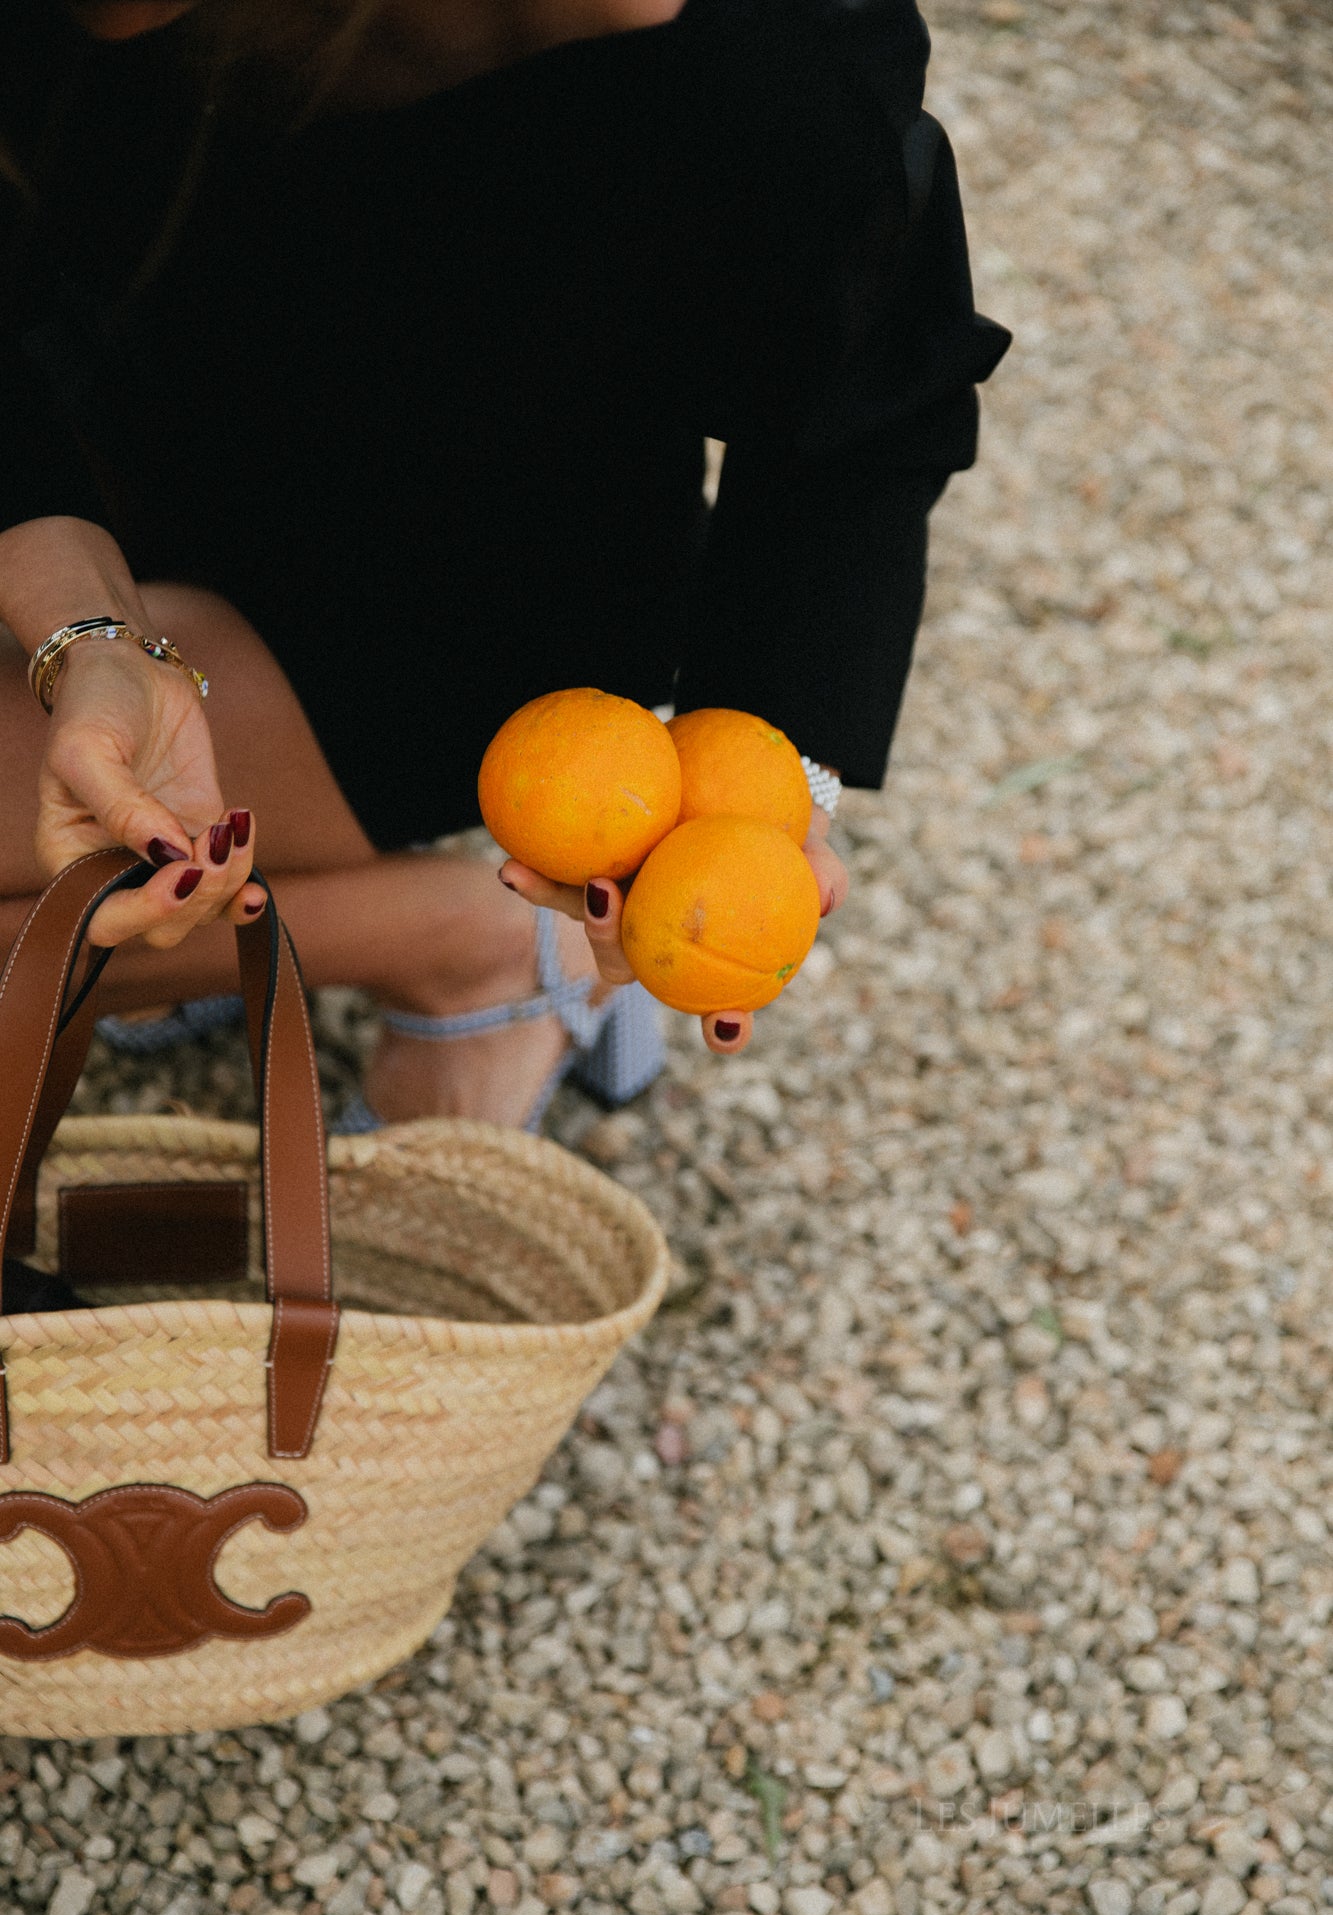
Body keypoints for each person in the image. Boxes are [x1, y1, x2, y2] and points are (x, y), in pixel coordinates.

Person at [0, 0, 1009, 1131]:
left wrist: (757, 793)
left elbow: (857, 421)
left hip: (432, 596)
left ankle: (478, 941)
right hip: (98, 466)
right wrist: (83, 633)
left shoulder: (768, 57)